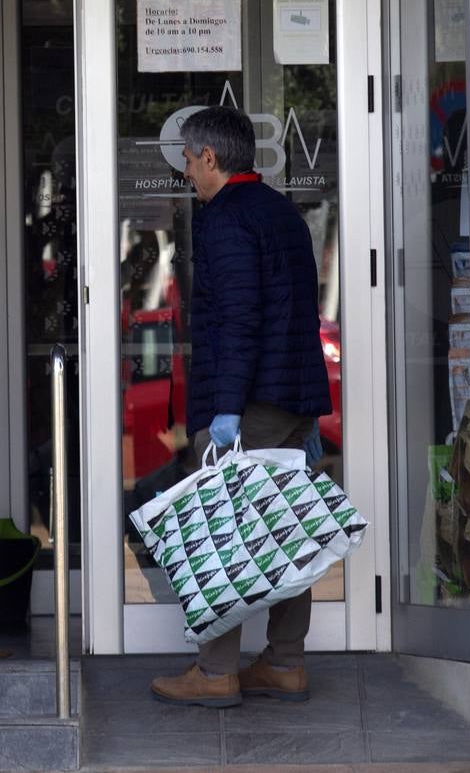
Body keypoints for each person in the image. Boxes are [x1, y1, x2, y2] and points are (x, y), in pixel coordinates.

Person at [150, 106, 331, 707]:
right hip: (290, 398)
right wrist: (305, 411)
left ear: (209, 157)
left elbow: (239, 322)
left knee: (220, 529)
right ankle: (286, 663)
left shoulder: (226, 219)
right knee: (284, 529)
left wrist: (224, 412)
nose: (184, 172)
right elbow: (298, 310)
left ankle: (216, 670)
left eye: (187, 160)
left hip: (248, 403)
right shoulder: (282, 213)